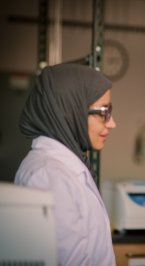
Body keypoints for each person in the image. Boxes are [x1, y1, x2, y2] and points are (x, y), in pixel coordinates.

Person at [14, 63, 117, 266]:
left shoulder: (65, 167)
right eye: (104, 112)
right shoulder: (48, 176)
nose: (112, 123)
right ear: (69, 111)